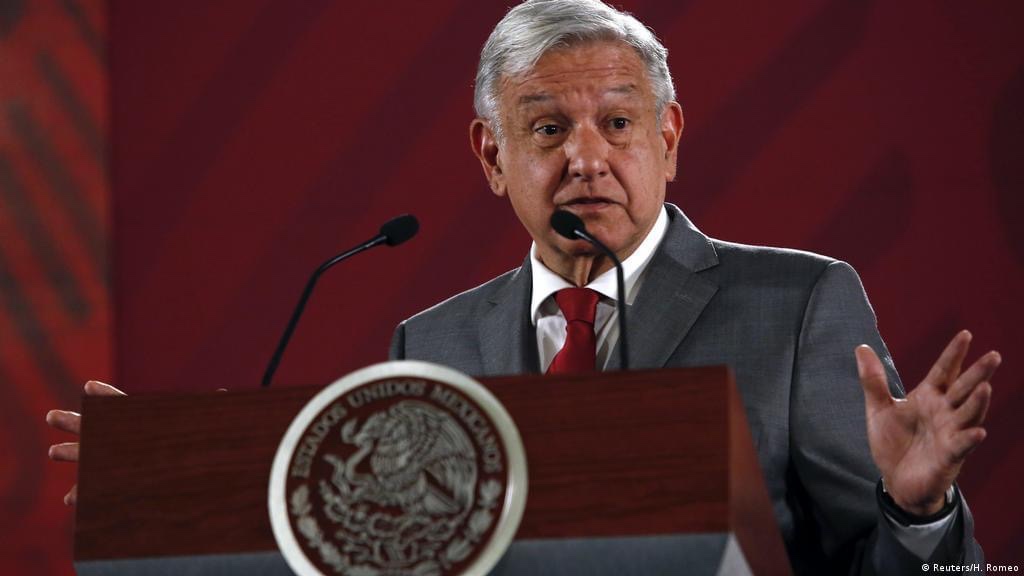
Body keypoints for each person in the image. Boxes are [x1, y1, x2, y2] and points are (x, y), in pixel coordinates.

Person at [49, 0, 1001, 574]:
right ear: (491, 155)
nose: (586, 159)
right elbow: (385, 550)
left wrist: (918, 511)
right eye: (547, 130)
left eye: (617, 124)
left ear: (668, 138)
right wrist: (192, 486)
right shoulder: (433, 344)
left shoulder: (797, 306)